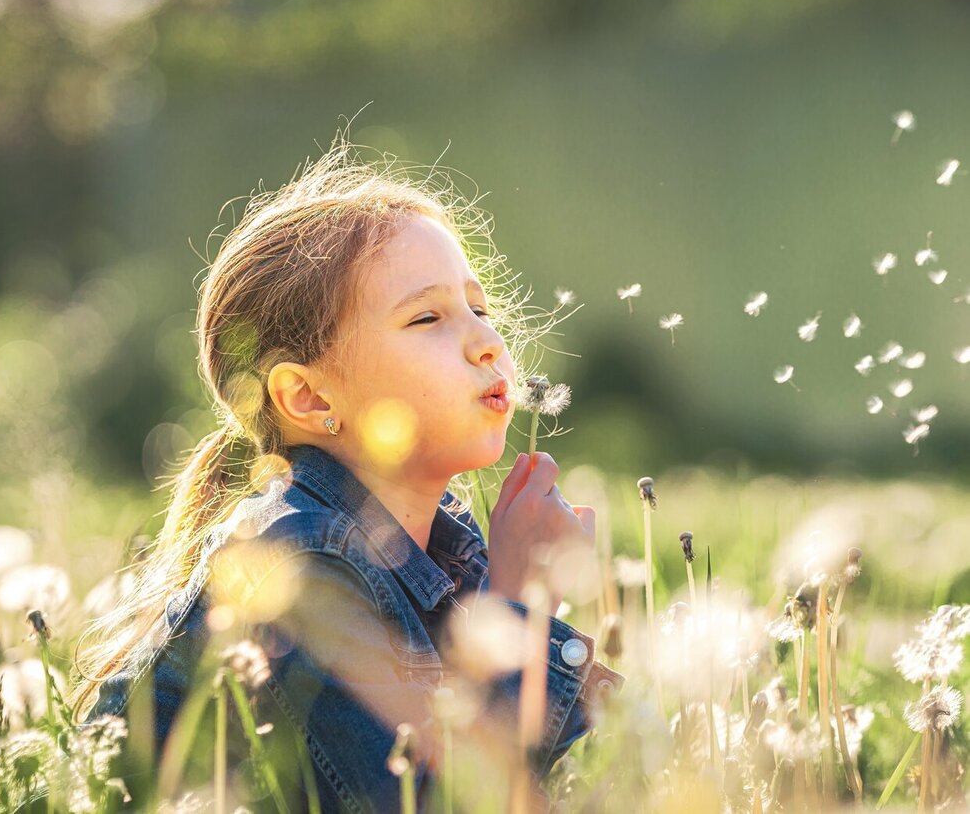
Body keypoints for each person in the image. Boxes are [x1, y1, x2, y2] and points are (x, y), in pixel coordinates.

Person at [67, 127, 623, 812]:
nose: (486, 341)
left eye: (479, 308)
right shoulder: (300, 564)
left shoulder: (439, 552)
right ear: (309, 398)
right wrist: (521, 605)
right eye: (428, 318)